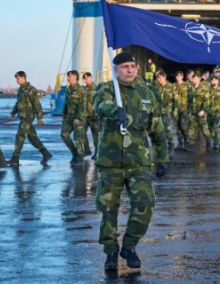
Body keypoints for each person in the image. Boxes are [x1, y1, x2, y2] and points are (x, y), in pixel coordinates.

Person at [93, 52, 168, 270]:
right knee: (108, 209)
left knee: (145, 204)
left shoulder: (147, 93)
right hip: (111, 162)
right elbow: (100, 104)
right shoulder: (106, 89)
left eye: (132, 66)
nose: (129, 70)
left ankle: (129, 246)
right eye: (124, 66)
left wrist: (162, 156)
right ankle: (110, 253)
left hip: (138, 162)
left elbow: (157, 128)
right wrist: (115, 111)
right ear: (115, 70)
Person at [7, 71, 52, 166]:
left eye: (18, 78)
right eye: (16, 78)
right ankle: (46, 153)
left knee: (20, 136)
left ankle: (15, 158)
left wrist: (40, 118)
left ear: (23, 78)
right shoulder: (20, 90)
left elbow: (37, 104)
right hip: (22, 117)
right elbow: (18, 104)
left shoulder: (31, 89)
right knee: (32, 138)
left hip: (28, 117)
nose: (17, 80)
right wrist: (12, 113)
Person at [60, 70, 87, 166]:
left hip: (78, 118)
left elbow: (83, 105)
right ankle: (74, 153)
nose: (68, 79)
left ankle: (80, 158)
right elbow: (66, 104)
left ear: (75, 77)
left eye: (69, 77)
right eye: (67, 77)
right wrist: (63, 116)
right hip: (69, 118)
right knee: (63, 134)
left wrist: (79, 118)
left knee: (78, 138)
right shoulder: (68, 90)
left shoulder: (81, 90)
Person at [153, 70, 178, 152]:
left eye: (159, 77)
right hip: (158, 111)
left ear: (164, 77)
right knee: (157, 129)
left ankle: (171, 144)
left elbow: (176, 99)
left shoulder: (171, 86)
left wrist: (175, 109)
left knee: (167, 129)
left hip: (167, 112)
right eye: (157, 77)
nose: (158, 79)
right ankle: (160, 145)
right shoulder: (156, 88)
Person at [82, 72, 99, 159]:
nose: (85, 81)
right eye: (84, 79)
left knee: (95, 135)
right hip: (85, 116)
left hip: (94, 116)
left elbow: (99, 102)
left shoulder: (97, 89)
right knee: (81, 132)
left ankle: (97, 152)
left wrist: (95, 114)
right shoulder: (84, 89)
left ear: (91, 78)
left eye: (87, 79)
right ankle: (87, 150)